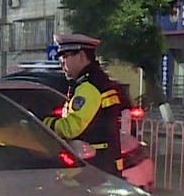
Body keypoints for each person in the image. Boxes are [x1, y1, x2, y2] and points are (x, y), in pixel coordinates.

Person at [41, 34, 124, 176]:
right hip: (103, 164)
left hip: (94, 167)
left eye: (65, 56)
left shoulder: (89, 87)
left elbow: (70, 128)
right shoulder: (98, 81)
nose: (62, 62)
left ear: (81, 56)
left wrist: (43, 123)